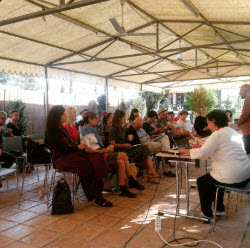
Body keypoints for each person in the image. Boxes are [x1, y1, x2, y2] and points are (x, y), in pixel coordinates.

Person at [180, 110, 250, 220]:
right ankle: (219, 208)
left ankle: (206, 214)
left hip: (233, 177)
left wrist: (185, 151)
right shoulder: (233, 132)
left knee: (202, 181)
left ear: (214, 121)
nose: (208, 126)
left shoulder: (218, 134)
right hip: (245, 175)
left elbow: (203, 152)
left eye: (208, 123)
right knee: (215, 177)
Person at [45, 105, 113, 207]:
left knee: (95, 158)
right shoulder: (53, 131)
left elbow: (68, 146)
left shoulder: (60, 128)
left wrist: (79, 147)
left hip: (69, 155)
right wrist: (78, 148)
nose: (65, 116)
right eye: (63, 114)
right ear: (57, 116)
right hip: (62, 159)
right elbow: (62, 150)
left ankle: (99, 191)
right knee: (88, 166)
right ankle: (97, 195)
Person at [80, 111, 144, 198]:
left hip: (101, 151)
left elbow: (96, 144)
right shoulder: (84, 132)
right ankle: (131, 179)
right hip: (97, 155)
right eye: (95, 118)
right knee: (124, 155)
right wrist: (105, 150)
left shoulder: (93, 129)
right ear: (90, 119)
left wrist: (105, 145)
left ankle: (123, 188)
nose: (97, 119)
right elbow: (89, 150)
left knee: (121, 162)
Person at [109, 109, 159, 184]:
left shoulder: (121, 128)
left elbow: (123, 139)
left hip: (126, 148)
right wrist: (125, 145)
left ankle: (150, 172)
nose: (125, 119)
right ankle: (150, 172)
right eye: (124, 117)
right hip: (121, 150)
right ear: (119, 118)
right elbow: (112, 144)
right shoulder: (113, 129)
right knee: (143, 149)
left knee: (144, 148)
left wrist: (128, 139)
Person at [237, 84, 250, 153]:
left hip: (248, 132)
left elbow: (245, 114)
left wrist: (238, 124)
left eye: (241, 90)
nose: (239, 93)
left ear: (246, 89)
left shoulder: (249, 99)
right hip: (247, 132)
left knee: (248, 153)